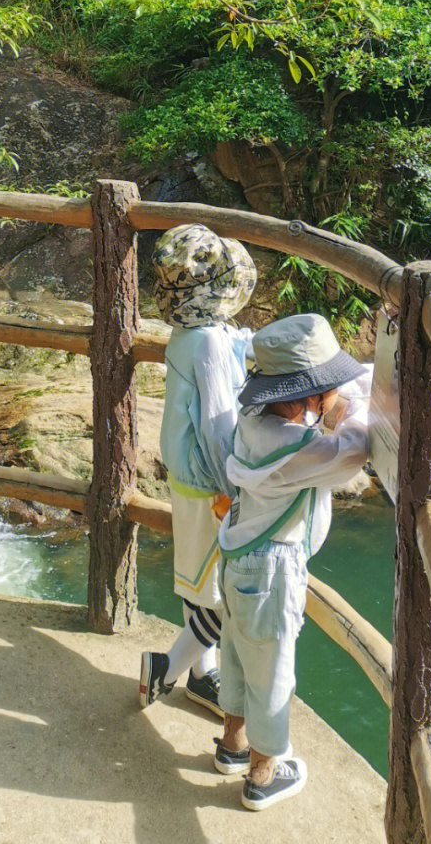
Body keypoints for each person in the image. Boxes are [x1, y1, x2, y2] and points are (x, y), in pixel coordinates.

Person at [214, 312, 372, 811]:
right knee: (274, 673)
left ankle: (233, 746)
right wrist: (343, 410)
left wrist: (328, 397)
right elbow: (355, 449)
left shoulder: (253, 423)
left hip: (238, 563)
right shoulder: (295, 448)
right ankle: (263, 774)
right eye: (322, 390)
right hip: (273, 573)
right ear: (303, 397)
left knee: (239, 658)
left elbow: (355, 379)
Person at [138, 223, 257, 717]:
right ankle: (162, 669)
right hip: (208, 481)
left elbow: (232, 343)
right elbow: (216, 427)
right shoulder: (207, 344)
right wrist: (236, 487)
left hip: (186, 478)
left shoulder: (192, 331)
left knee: (200, 581)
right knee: (221, 598)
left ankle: (202, 676)